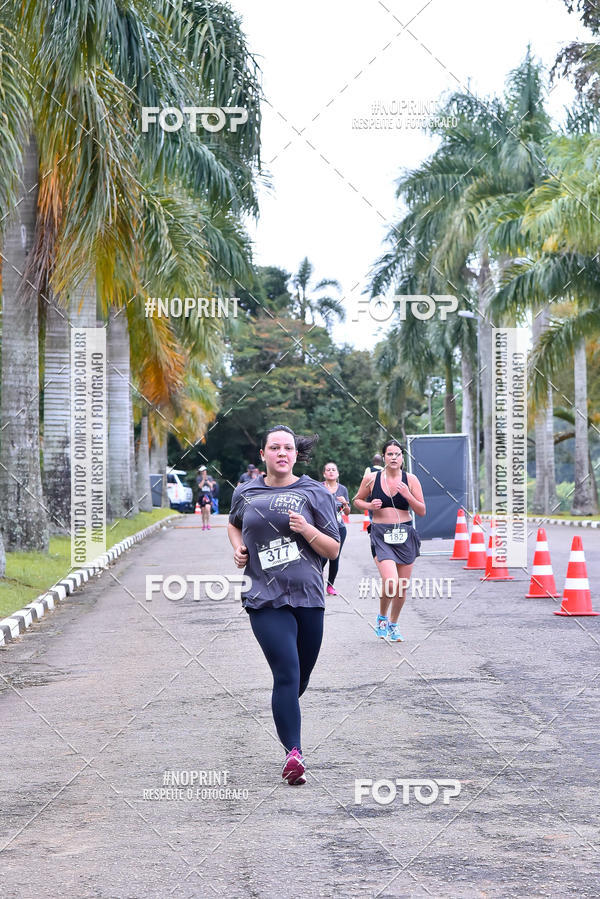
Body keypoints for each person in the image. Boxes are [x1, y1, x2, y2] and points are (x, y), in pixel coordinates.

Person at [227, 425, 340, 786]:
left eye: (288, 448)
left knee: (299, 678)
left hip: (308, 596)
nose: (281, 453)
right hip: (264, 597)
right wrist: (238, 547)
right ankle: (294, 753)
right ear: (263, 455)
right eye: (274, 447)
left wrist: (306, 529)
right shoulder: (246, 492)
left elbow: (333, 548)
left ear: (295, 454)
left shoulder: (314, 492)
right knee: (287, 673)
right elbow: (233, 525)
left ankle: (285, 708)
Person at [353, 440, 425, 642]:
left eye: (398, 454)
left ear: (403, 458)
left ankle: (393, 624)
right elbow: (357, 500)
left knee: (401, 586)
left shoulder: (410, 480)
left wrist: (407, 495)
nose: (394, 457)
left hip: (405, 533)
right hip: (381, 534)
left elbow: (421, 511)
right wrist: (370, 505)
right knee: (391, 581)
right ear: (383, 457)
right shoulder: (371, 478)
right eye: (390, 454)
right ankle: (382, 618)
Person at [321, 461, 350, 595]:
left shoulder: (342, 489)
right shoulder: (319, 488)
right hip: (323, 528)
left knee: (334, 557)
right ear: (324, 474)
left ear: (337, 473)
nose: (331, 471)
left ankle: (330, 586)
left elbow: (347, 512)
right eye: (328, 470)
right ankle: (314, 583)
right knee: (322, 557)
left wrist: (345, 504)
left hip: (339, 528)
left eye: (333, 469)